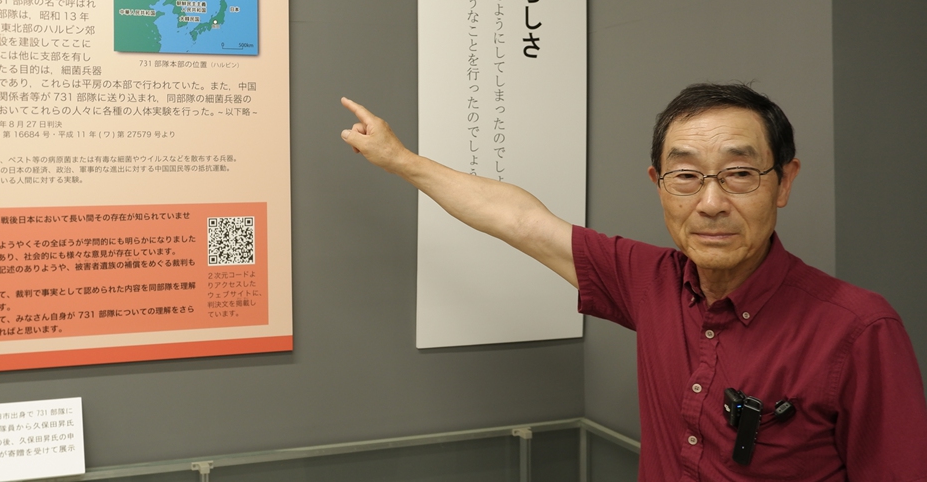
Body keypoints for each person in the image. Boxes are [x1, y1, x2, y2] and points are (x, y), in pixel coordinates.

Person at [340, 83, 927, 480]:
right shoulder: (650, 281)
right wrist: (400, 159)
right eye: (687, 176)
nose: (712, 202)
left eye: (740, 173)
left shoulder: (858, 330)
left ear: (784, 182)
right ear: (659, 184)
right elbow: (519, 220)